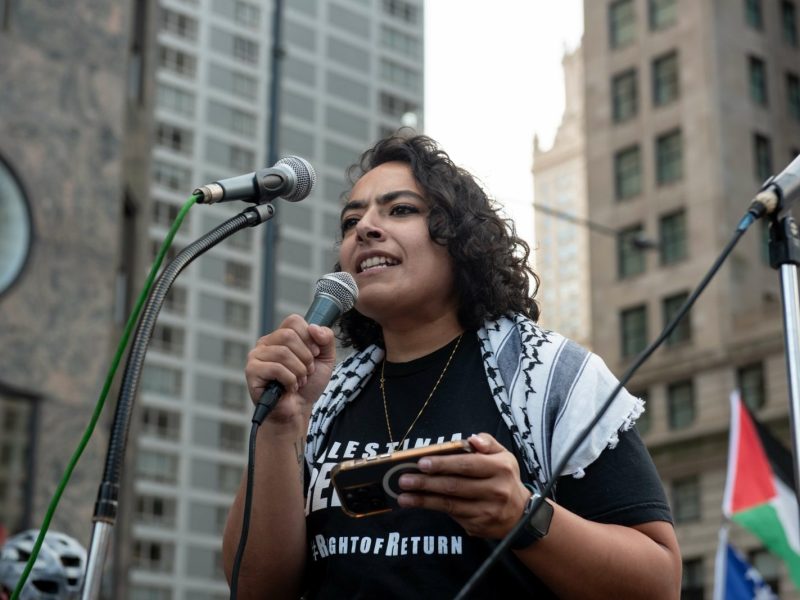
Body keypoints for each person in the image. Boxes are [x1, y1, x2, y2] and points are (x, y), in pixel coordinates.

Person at [223, 134, 682, 598]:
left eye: (400, 210)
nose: (364, 228)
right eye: (350, 221)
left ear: (461, 240)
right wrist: (282, 425)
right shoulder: (320, 400)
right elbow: (256, 589)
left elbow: (659, 583)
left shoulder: (554, 377)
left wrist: (523, 515)